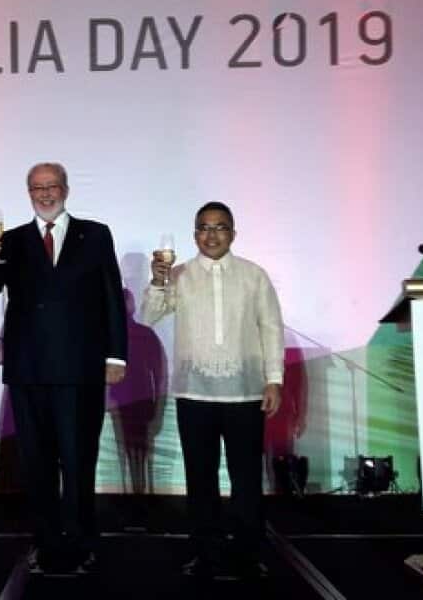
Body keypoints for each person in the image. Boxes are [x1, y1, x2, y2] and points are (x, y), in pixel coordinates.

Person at [0, 162, 127, 574]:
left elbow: (111, 295)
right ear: (28, 192)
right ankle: (45, 541)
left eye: (52, 186)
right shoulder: (12, 240)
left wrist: (116, 355)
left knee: (78, 460)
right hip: (29, 369)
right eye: (37, 188)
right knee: (36, 464)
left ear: (66, 189)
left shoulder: (95, 234)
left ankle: (80, 541)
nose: (45, 193)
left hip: (80, 370)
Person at [141, 201, 283, 578]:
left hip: (246, 392)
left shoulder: (254, 275)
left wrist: (275, 380)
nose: (211, 234)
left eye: (220, 227)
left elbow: (271, 328)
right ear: (194, 235)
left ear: (233, 234)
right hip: (195, 394)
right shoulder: (180, 275)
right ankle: (205, 553)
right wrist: (158, 280)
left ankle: (247, 554)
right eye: (204, 228)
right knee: (200, 480)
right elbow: (148, 316)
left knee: (247, 480)